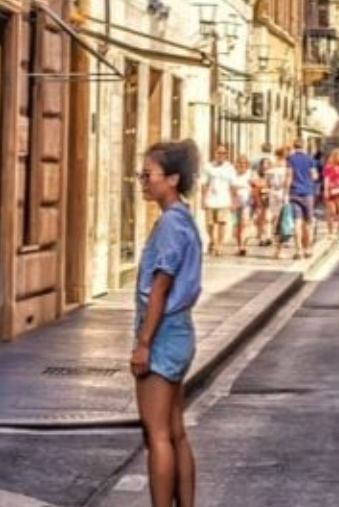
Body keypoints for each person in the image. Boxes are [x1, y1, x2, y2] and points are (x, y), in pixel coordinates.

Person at [132, 140, 205, 507]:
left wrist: (143, 343)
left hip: (163, 334)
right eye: (141, 175)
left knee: (156, 434)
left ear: (172, 179)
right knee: (175, 432)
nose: (143, 181)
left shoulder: (171, 226)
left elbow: (159, 289)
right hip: (179, 332)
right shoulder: (183, 219)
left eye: (148, 175)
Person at [201, 146, 240, 257]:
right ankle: (213, 241)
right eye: (219, 153)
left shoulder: (230, 168)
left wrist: (234, 201)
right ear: (215, 153)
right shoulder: (208, 166)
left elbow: (233, 185)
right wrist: (203, 200)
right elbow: (204, 184)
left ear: (226, 155)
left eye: (224, 153)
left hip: (224, 199)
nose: (221, 155)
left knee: (222, 223)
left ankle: (219, 245)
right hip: (211, 199)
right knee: (210, 224)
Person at [286, 142, 320, 259]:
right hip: (308, 193)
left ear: (294, 147)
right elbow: (315, 176)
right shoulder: (310, 159)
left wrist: (286, 192)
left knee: (297, 222)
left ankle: (298, 250)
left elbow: (289, 176)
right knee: (308, 223)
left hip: (294, 192)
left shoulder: (290, 159)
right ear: (303, 146)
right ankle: (308, 249)